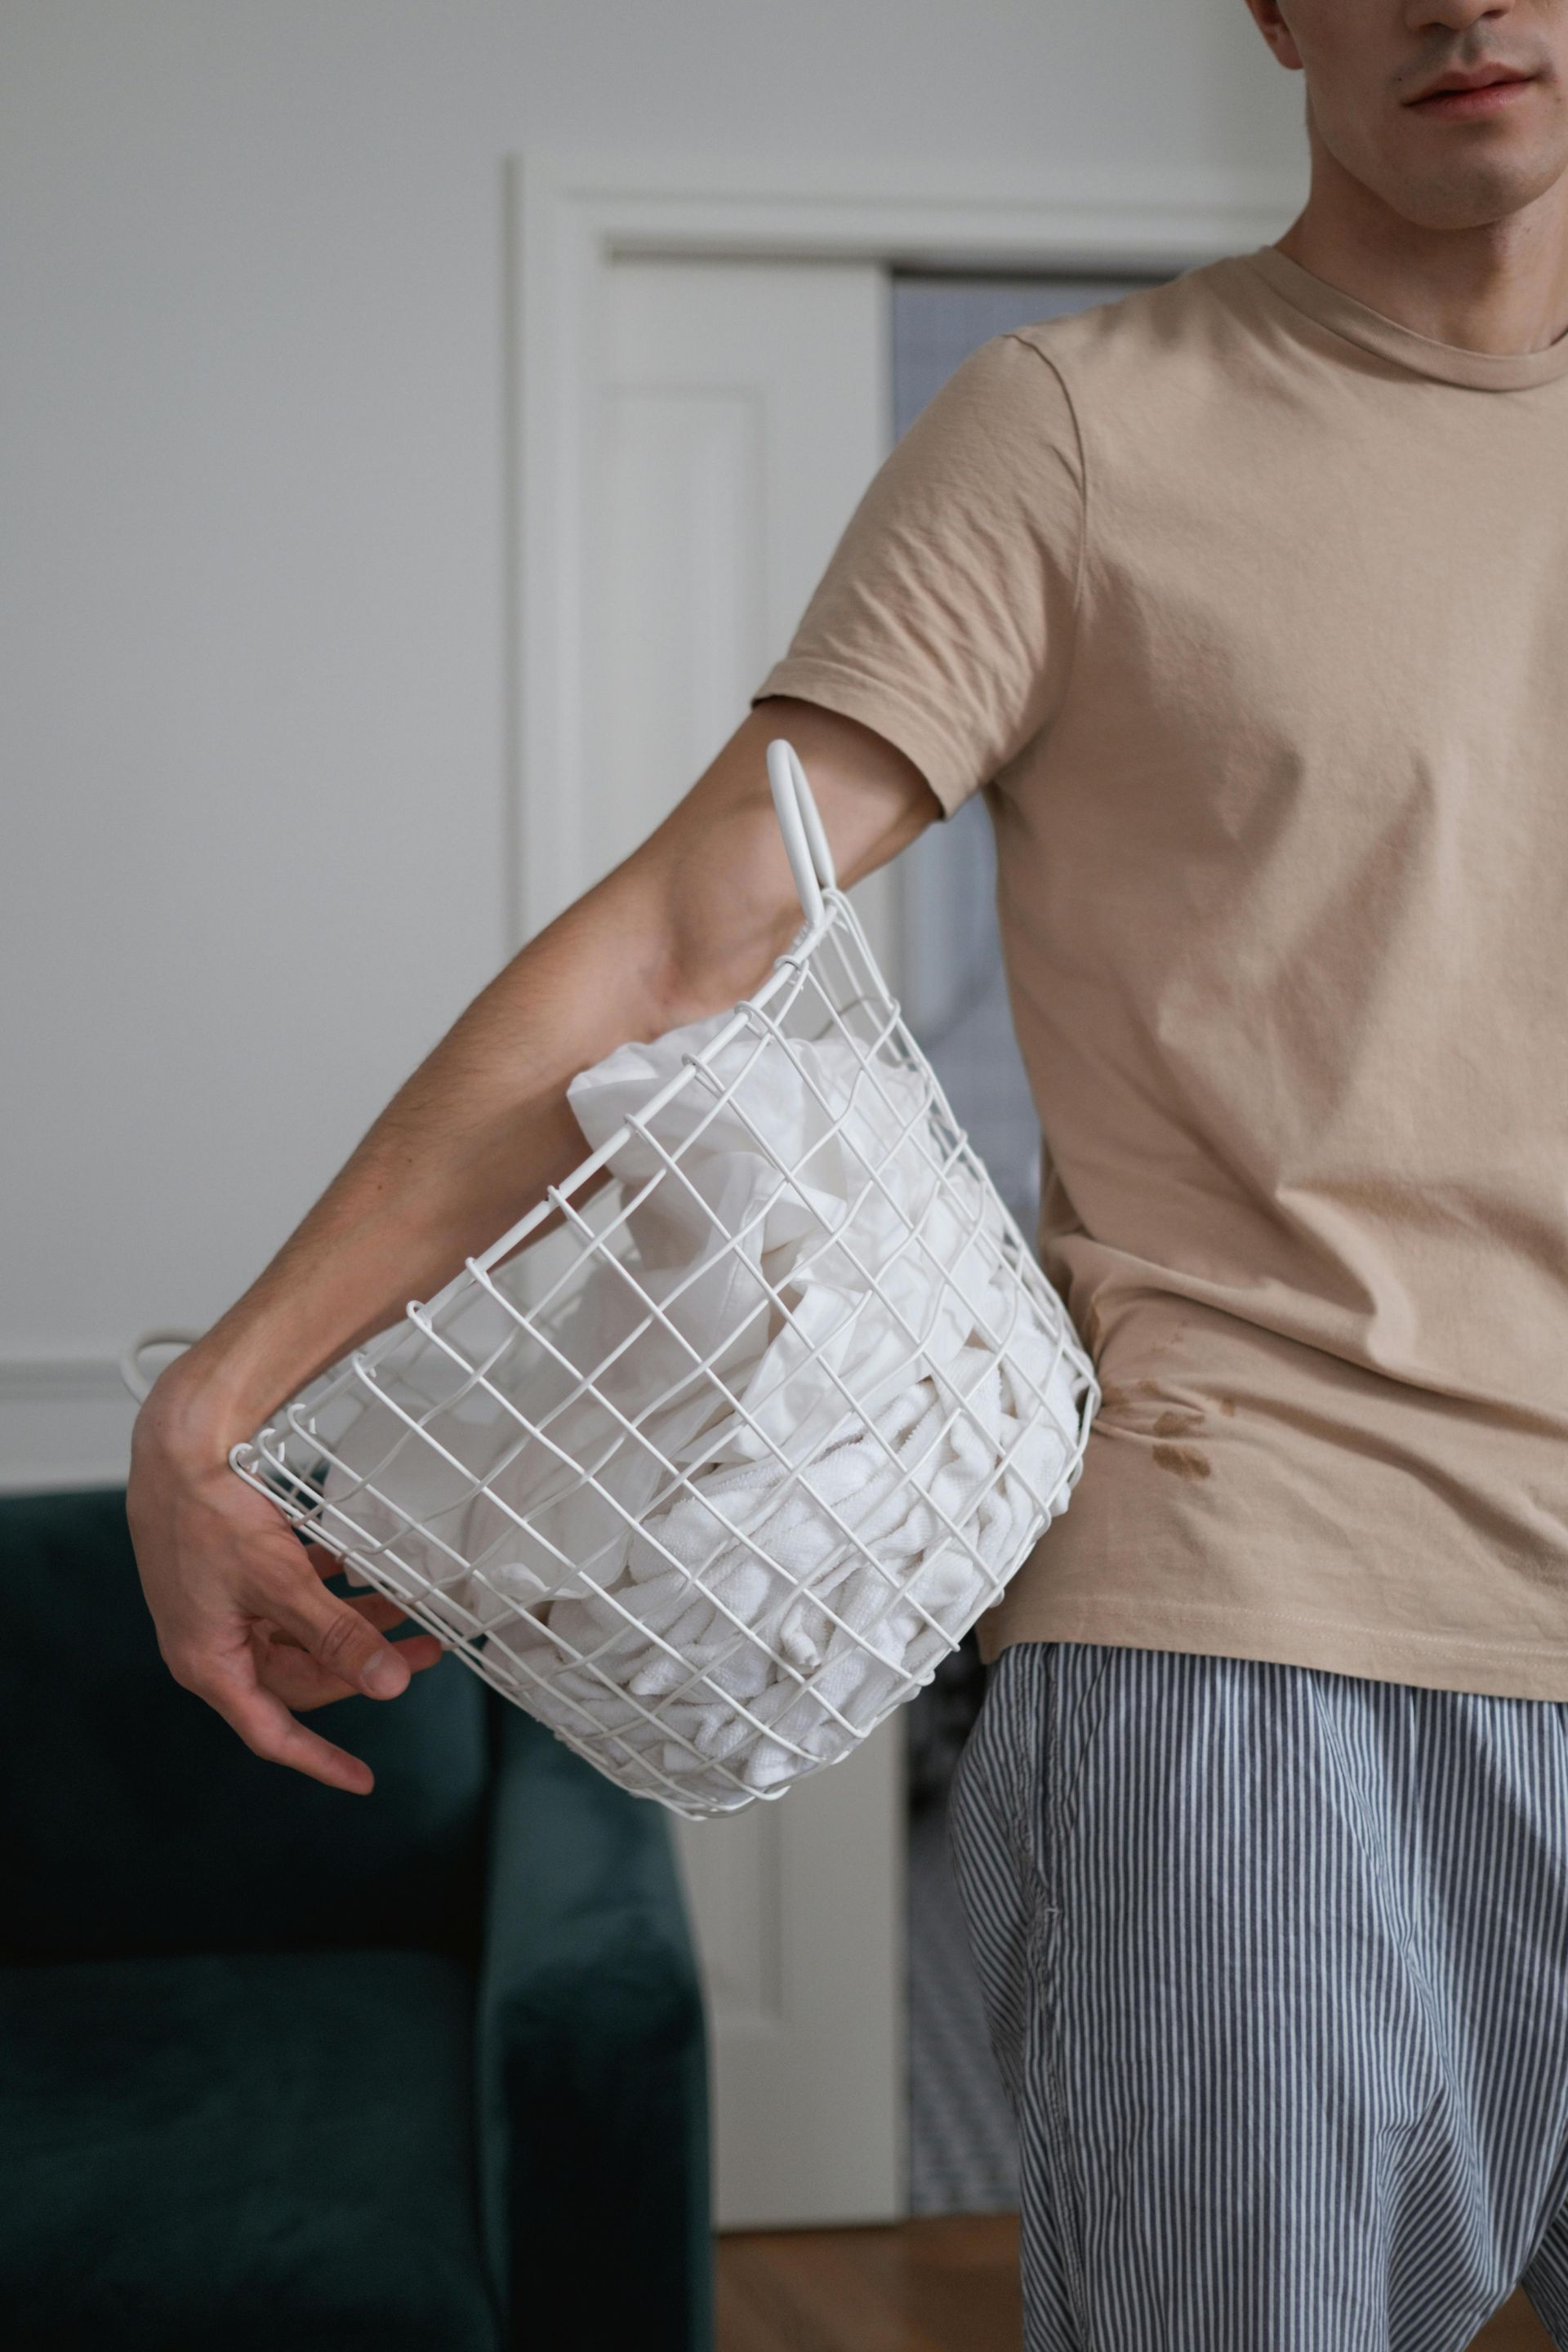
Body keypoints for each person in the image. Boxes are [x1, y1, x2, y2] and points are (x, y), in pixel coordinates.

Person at [128, 0, 1568, 2341]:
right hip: (1264, 1619)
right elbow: (701, 927)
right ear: (1278, 8)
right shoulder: (1085, 431)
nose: (1471, 3)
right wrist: (224, 1405)